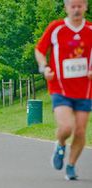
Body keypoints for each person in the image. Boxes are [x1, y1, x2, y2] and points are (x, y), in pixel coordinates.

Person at [35, 0, 92, 180]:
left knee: (81, 131)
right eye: (72, 6)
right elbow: (39, 50)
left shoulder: (90, 29)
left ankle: (71, 165)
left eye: (79, 6)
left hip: (85, 89)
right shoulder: (56, 28)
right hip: (60, 87)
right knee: (67, 127)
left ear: (85, 7)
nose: (76, 9)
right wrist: (45, 68)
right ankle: (60, 144)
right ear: (66, 8)